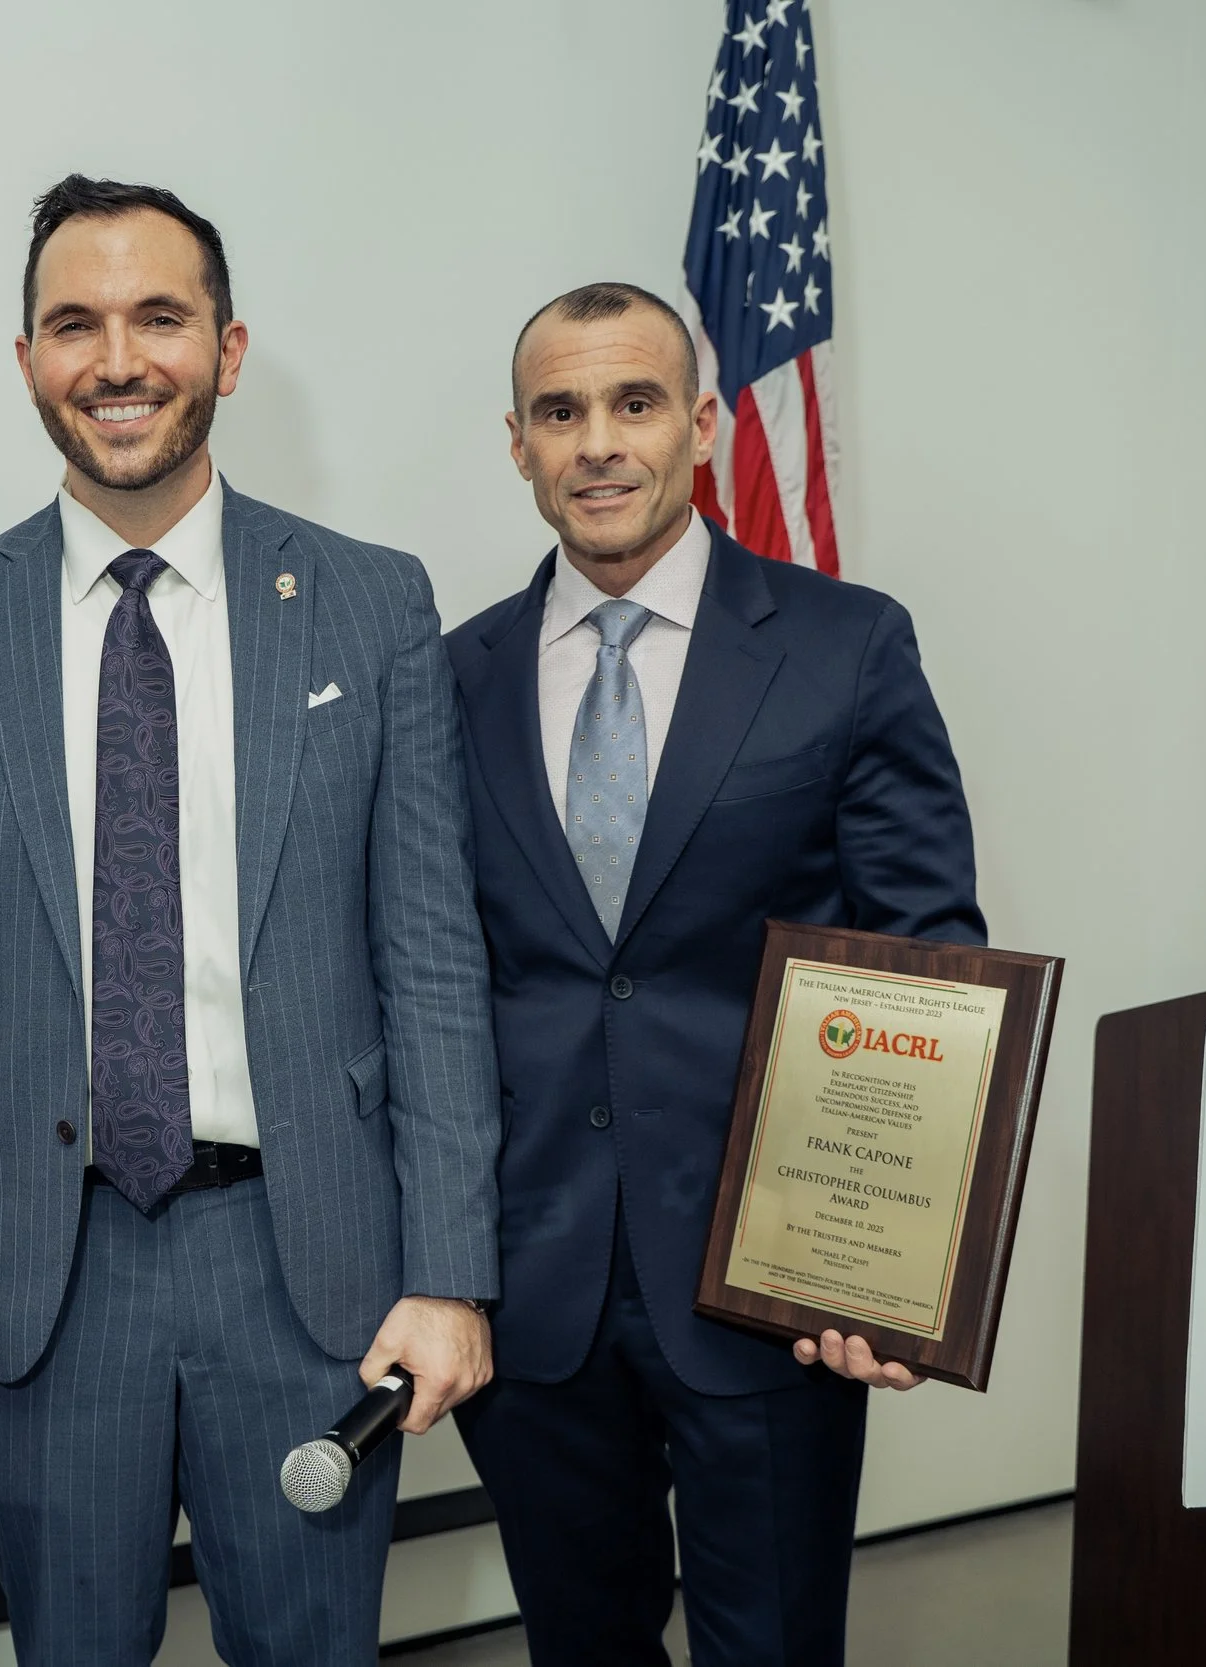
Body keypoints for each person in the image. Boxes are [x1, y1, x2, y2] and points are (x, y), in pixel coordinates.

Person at [0, 176, 501, 1666]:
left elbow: (429, 956)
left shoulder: (367, 602)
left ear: (227, 349)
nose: (118, 357)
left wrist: (451, 1271)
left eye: (160, 316)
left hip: (307, 1273)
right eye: (74, 323)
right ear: (25, 358)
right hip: (42, 1277)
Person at [443, 282, 985, 1667]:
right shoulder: (448, 680)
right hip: (533, 1286)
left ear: (701, 422)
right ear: (517, 443)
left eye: (634, 403)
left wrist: (896, 1271)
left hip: (773, 1286)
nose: (599, 442)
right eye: (561, 412)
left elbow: (924, 958)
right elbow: (427, 977)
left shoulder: (845, 644)